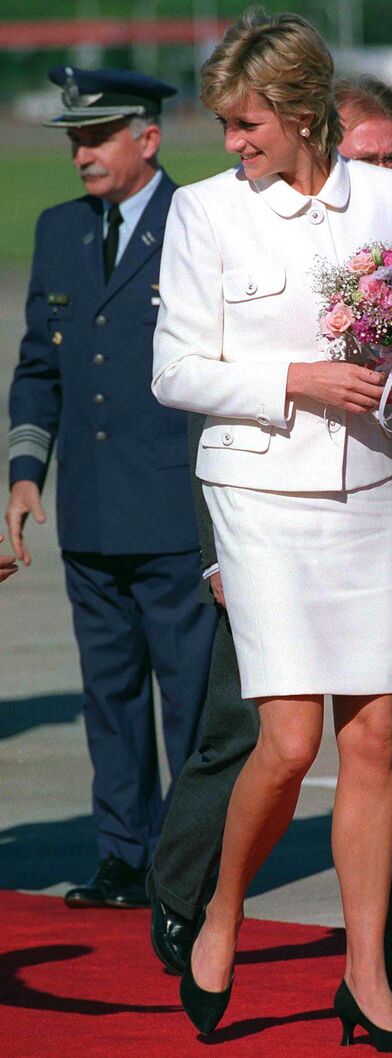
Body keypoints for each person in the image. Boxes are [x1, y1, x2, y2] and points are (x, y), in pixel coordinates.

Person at [153, 11, 392, 1052]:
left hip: (367, 490)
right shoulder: (205, 213)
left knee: (377, 734)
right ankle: (220, 913)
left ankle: (366, 975)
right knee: (291, 740)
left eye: (246, 122)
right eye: (225, 124)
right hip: (256, 492)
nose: (232, 142)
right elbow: (175, 372)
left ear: (300, 115)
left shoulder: (387, 194)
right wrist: (294, 378)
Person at [5, 66, 218, 908]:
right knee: (111, 696)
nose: (80, 153)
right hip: (90, 510)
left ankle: (192, 863)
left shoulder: (198, 222)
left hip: (172, 507)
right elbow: (38, 367)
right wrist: (26, 473)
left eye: (96, 137)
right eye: (73, 139)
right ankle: (124, 854)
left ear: (148, 137)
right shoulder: (60, 230)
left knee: (191, 698)